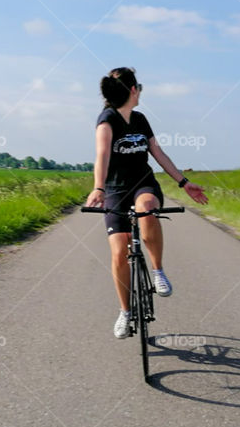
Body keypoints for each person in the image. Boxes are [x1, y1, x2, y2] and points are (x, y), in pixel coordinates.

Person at [83, 67, 209, 338]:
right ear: (132, 90)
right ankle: (125, 313)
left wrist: (184, 183)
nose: (140, 91)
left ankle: (158, 271)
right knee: (119, 252)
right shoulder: (106, 120)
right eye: (138, 87)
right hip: (116, 190)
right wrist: (99, 188)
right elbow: (102, 155)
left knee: (147, 208)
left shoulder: (140, 119)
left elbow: (158, 153)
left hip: (144, 184)